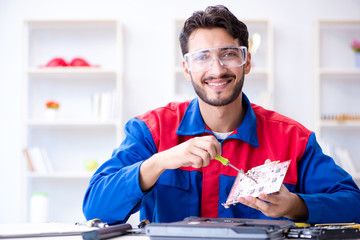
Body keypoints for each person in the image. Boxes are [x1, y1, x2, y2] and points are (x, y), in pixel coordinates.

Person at [83, 5, 360, 225]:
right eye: (202, 57)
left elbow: (353, 204)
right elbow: (95, 207)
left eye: (228, 54)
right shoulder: (151, 131)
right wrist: (159, 162)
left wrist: (298, 206)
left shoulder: (292, 139)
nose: (216, 69)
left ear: (246, 61)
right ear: (187, 68)